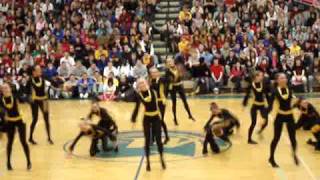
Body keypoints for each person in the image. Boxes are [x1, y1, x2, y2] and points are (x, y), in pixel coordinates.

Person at [131, 78, 166, 171]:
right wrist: (133, 119)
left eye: (143, 83)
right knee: (147, 140)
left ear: (146, 83)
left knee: (159, 140)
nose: (142, 85)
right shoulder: (139, 95)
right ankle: (148, 162)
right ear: (138, 86)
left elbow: (160, 82)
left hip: (156, 118)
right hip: (146, 118)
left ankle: (161, 158)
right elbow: (137, 108)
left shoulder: (153, 91)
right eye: (140, 84)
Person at [268, 73, 299, 168]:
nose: (283, 79)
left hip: (290, 116)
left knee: (293, 138)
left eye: (285, 78)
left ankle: (294, 154)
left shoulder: (290, 88)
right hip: (280, 116)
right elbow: (269, 106)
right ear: (277, 80)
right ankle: (271, 158)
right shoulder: (274, 91)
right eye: (281, 78)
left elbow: (295, 99)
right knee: (276, 138)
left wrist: (296, 104)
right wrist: (265, 113)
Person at [0, 83, 31, 170]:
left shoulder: (16, 96)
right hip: (9, 122)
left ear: (10, 88)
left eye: (6, 88)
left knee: (23, 142)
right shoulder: (1, 100)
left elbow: (24, 98)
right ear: (1, 91)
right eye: (3, 88)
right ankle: (8, 163)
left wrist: (28, 99)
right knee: (10, 142)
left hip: (20, 121)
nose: (5, 90)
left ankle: (28, 161)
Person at [27, 65, 53, 145]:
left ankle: (49, 138)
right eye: (38, 70)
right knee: (35, 119)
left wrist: (61, 87)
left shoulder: (43, 77)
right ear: (34, 72)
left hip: (44, 100)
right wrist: (29, 98)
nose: (40, 70)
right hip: (35, 101)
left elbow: (52, 83)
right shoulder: (30, 81)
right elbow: (26, 92)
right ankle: (30, 138)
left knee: (46, 119)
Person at [165, 58, 195, 125]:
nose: (170, 63)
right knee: (174, 103)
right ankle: (175, 118)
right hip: (173, 87)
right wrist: (175, 77)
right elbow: (169, 80)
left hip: (180, 86)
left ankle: (189, 115)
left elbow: (183, 75)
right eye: (168, 62)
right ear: (167, 64)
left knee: (185, 101)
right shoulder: (167, 71)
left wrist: (183, 71)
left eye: (170, 61)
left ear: (173, 61)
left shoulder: (178, 67)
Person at [243, 71, 270, 144]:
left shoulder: (264, 84)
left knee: (266, 122)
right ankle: (249, 139)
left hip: (262, 106)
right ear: (256, 77)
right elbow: (247, 95)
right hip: (254, 106)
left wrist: (269, 105)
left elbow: (267, 95)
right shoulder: (251, 85)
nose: (262, 77)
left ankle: (260, 130)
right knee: (253, 123)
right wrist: (244, 104)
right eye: (261, 75)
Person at [149, 67, 170, 144]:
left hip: (161, 102)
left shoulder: (161, 80)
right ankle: (153, 138)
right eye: (152, 73)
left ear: (158, 73)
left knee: (160, 120)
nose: (153, 74)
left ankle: (166, 137)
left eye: (155, 72)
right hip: (153, 103)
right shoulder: (150, 81)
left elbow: (167, 80)